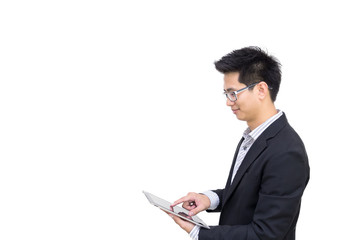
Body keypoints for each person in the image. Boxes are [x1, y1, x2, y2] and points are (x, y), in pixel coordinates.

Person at [165, 47, 310, 240]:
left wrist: (197, 232)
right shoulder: (253, 136)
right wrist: (209, 199)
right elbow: (249, 193)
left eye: (233, 93)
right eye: (226, 93)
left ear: (261, 90)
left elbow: (266, 234)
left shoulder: (287, 152)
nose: (228, 102)